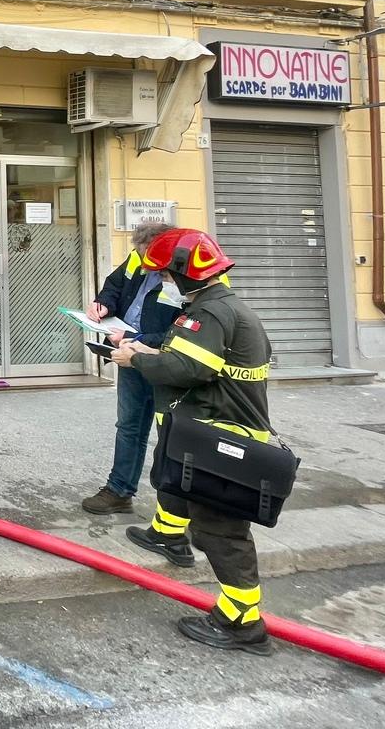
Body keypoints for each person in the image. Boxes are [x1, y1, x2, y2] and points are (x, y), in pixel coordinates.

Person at [111, 228, 274, 654]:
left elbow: (186, 370)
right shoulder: (217, 306)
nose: (164, 281)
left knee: (221, 532)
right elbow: (196, 363)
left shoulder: (209, 314)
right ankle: (168, 535)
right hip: (210, 431)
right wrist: (149, 355)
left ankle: (241, 623)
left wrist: (134, 359)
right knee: (180, 492)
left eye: (166, 274)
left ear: (185, 272)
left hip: (220, 438)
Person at [79, 221, 178, 515]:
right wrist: (103, 304)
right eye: (139, 253)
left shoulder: (188, 277)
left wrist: (136, 338)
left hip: (168, 365)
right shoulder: (138, 258)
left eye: (150, 256)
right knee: (130, 426)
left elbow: (185, 332)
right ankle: (119, 490)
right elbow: (115, 285)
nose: (143, 261)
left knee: (173, 434)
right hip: (130, 358)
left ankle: (176, 504)